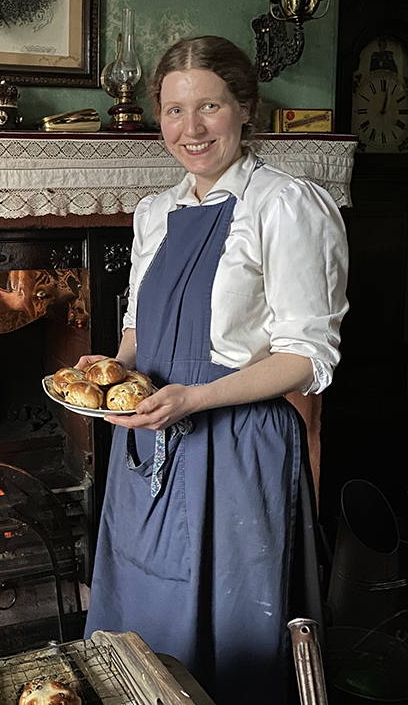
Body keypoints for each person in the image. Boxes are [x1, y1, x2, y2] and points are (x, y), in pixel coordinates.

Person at [80, 35, 349, 704]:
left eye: (210, 107)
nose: (191, 128)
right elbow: (140, 329)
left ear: (245, 108)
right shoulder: (156, 212)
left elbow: (307, 359)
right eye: (174, 110)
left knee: (232, 634)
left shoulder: (286, 206)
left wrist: (196, 398)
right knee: (145, 620)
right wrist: (112, 367)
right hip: (150, 441)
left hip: (237, 448)